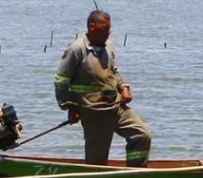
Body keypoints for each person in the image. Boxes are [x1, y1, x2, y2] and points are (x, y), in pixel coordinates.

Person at [54, 10, 151, 166]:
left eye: (109, 28)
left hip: (116, 107)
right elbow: (61, 81)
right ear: (92, 26)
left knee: (141, 135)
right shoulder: (76, 50)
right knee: (97, 162)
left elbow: (113, 71)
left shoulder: (109, 46)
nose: (109, 32)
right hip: (94, 112)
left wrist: (124, 87)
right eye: (105, 28)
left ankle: (135, 173)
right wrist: (70, 107)